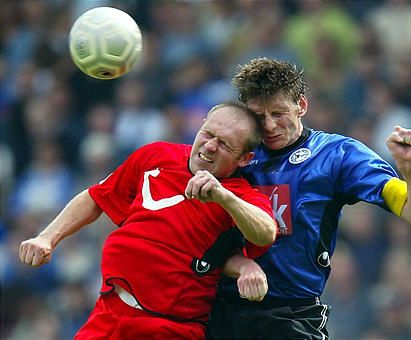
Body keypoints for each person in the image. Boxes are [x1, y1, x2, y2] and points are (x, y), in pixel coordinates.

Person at [206, 58, 411, 339]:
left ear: (301, 105)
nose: (269, 125)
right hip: (217, 308)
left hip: (290, 315)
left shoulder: (337, 155)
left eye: (278, 112)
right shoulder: (233, 152)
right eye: (258, 116)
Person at [19, 102, 277, 340]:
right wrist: (47, 237)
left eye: (224, 144)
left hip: (168, 327)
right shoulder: (156, 155)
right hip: (108, 313)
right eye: (208, 134)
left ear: (245, 159)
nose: (210, 145)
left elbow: (265, 232)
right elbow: (96, 197)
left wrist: (224, 197)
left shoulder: (240, 195)